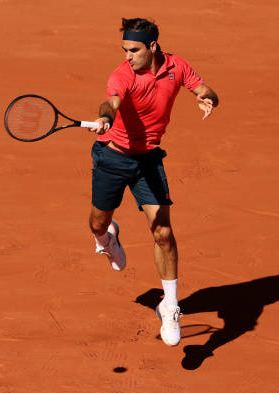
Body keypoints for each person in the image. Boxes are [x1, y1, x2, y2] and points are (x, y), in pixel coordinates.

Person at [87, 17, 219, 347]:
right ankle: (109, 237)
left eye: (134, 50)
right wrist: (105, 117)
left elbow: (204, 88)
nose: (128, 56)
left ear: (153, 47)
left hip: (148, 160)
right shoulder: (122, 75)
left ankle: (170, 305)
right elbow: (112, 102)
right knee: (97, 224)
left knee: (163, 231)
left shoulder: (177, 67)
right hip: (113, 157)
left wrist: (208, 98)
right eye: (125, 50)